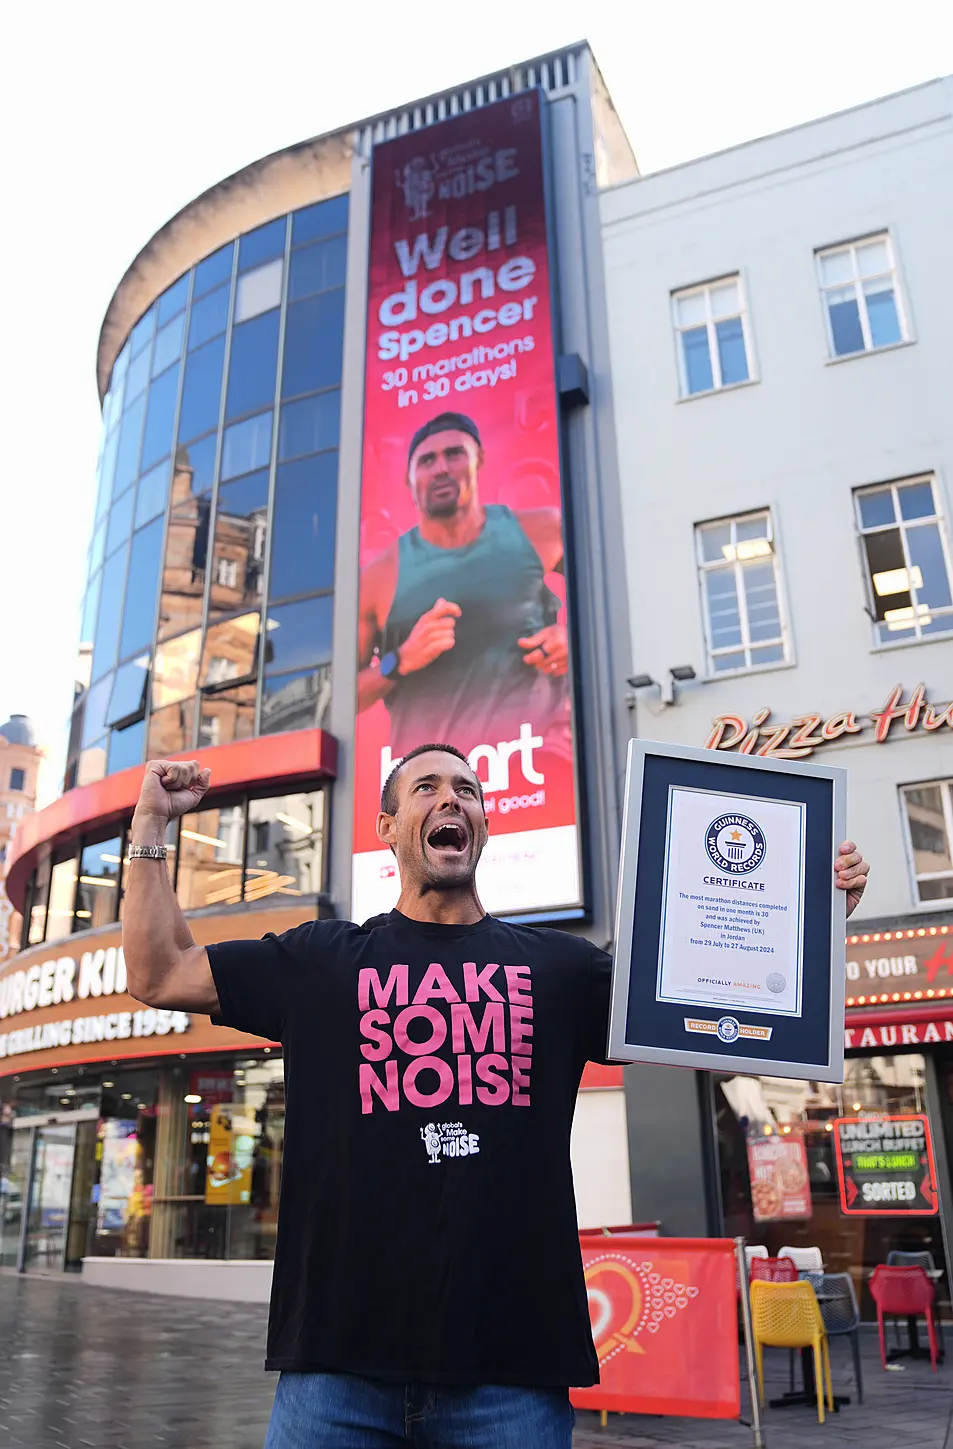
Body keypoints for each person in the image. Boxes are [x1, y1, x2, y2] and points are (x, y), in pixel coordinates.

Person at [122, 749, 870, 1449]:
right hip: (335, 1371)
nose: (451, 798)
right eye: (426, 788)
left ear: (482, 824)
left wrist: (811, 909)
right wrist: (152, 824)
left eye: (467, 790)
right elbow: (160, 972)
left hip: (510, 1376)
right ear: (387, 829)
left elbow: (719, 1011)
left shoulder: (563, 970)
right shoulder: (318, 962)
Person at [357, 413, 571, 758]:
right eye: (427, 460)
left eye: (454, 454)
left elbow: (606, 598)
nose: (441, 468)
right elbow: (345, 698)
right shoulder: (378, 576)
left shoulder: (544, 531)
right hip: (433, 788)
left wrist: (569, 639)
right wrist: (398, 661)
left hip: (535, 767)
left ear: (478, 460)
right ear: (409, 478)